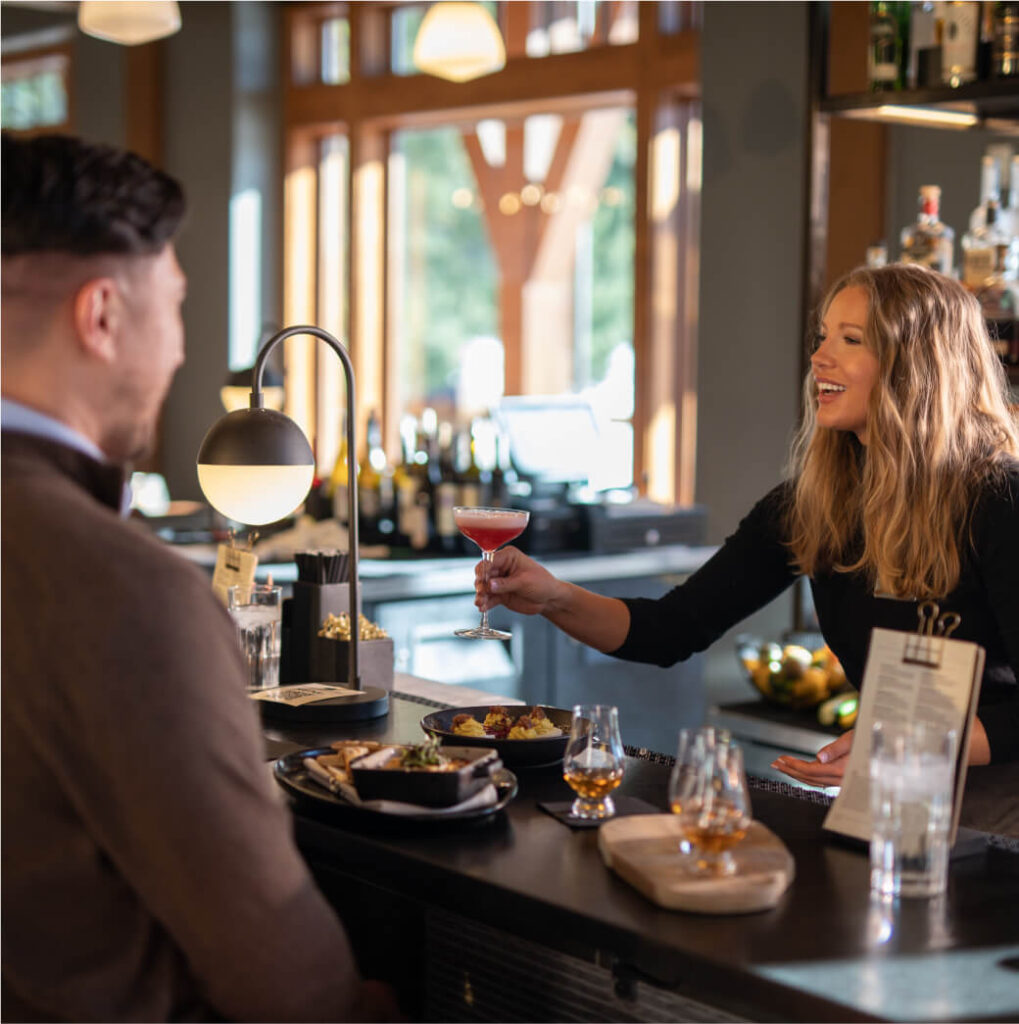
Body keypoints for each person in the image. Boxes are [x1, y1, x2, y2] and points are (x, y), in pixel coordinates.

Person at [1, 133, 397, 1021]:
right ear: (101, 316)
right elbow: (277, 964)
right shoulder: (121, 591)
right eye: (174, 306)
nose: (179, 351)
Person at [474, 263, 1019, 834]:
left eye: (850, 340)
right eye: (823, 337)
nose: (819, 357)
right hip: (895, 800)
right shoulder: (814, 505)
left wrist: (907, 743)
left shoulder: (999, 501)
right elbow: (673, 628)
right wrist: (553, 597)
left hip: (1002, 812)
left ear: (918, 368)